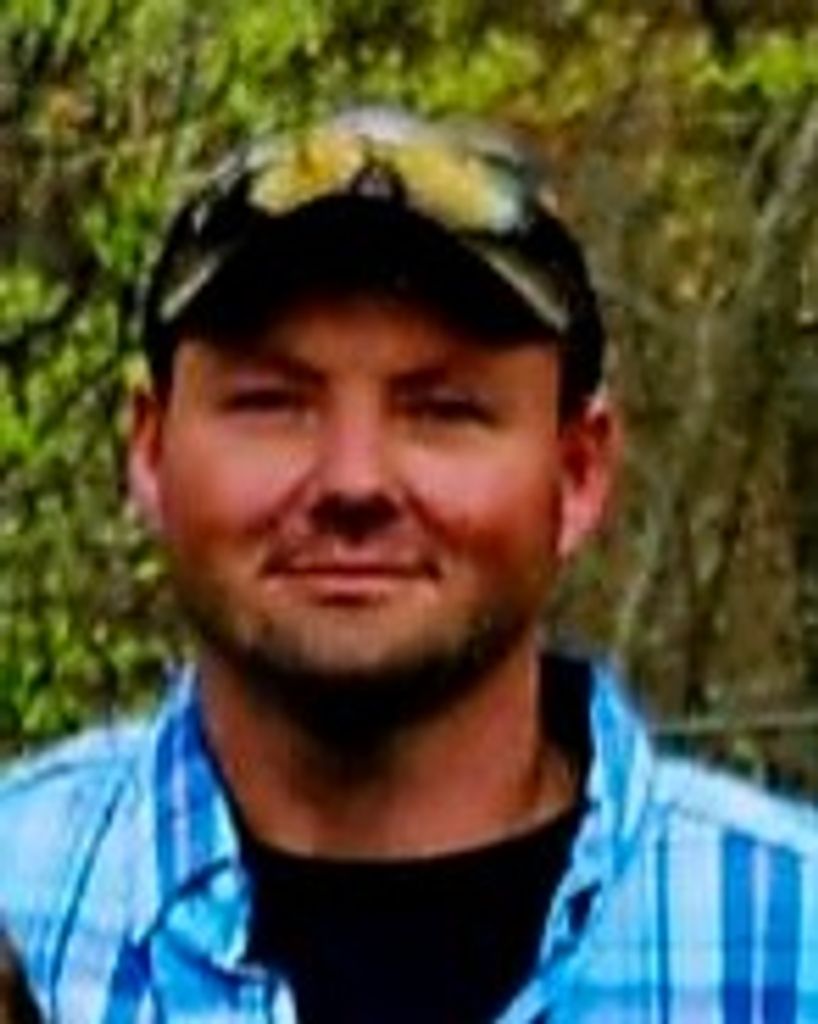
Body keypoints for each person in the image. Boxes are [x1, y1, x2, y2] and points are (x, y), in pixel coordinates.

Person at [1, 105, 817, 1024]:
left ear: (578, 471)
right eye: (271, 403)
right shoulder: (21, 904)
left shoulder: (788, 941)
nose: (354, 481)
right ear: (151, 452)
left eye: (444, 411)